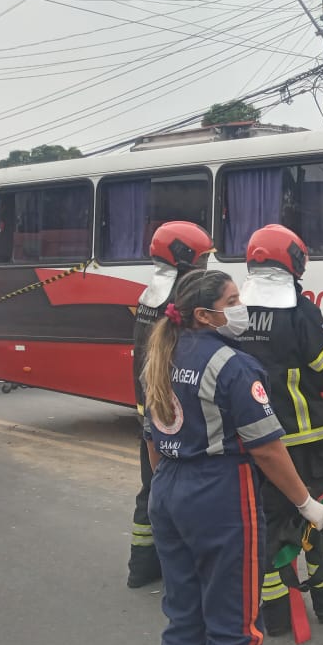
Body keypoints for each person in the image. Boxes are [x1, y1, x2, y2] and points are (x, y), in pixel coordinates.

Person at [142, 268, 323, 645]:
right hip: (219, 494)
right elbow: (267, 449)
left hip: (167, 486)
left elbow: (151, 438)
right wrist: (307, 505)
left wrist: (173, 484)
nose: (240, 306)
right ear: (205, 315)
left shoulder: (160, 355)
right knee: (234, 625)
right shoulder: (234, 365)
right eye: (231, 301)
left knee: (184, 617)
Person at [237, 224, 323, 635]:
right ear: (295, 261)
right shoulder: (300, 310)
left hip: (256, 442)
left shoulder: (232, 309)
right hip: (307, 442)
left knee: (267, 522)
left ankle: (272, 614)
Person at [127, 221, 213, 589]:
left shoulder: (152, 294)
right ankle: (186, 566)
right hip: (172, 410)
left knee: (152, 487)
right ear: (183, 259)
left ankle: (142, 566)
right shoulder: (180, 299)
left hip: (150, 408)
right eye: (203, 259)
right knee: (184, 489)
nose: (207, 266)